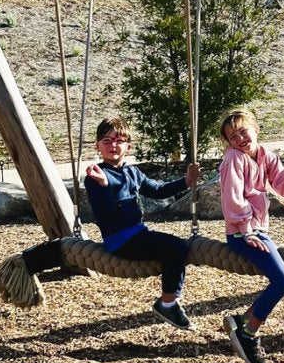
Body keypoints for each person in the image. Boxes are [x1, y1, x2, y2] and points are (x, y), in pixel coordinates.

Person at [218, 109, 284, 363]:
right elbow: (232, 199)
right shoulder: (233, 159)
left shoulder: (266, 155)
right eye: (232, 136)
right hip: (242, 232)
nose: (240, 138)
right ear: (228, 143)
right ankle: (248, 334)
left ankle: (242, 320)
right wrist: (246, 230)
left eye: (243, 131)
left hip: (258, 230)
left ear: (255, 129)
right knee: (283, 280)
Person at [82, 117, 200, 329]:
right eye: (107, 141)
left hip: (138, 234)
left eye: (119, 140)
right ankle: (168, 303)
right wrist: (103, 186)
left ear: (128, 146)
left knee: (173, 247)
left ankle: (170, 300)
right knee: (176, 248)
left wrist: (186, 182)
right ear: (97, 145)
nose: (113, 145)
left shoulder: (132, 172)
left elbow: (157, 190)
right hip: (120, 240)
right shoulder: (96, 176)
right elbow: (105, 213)